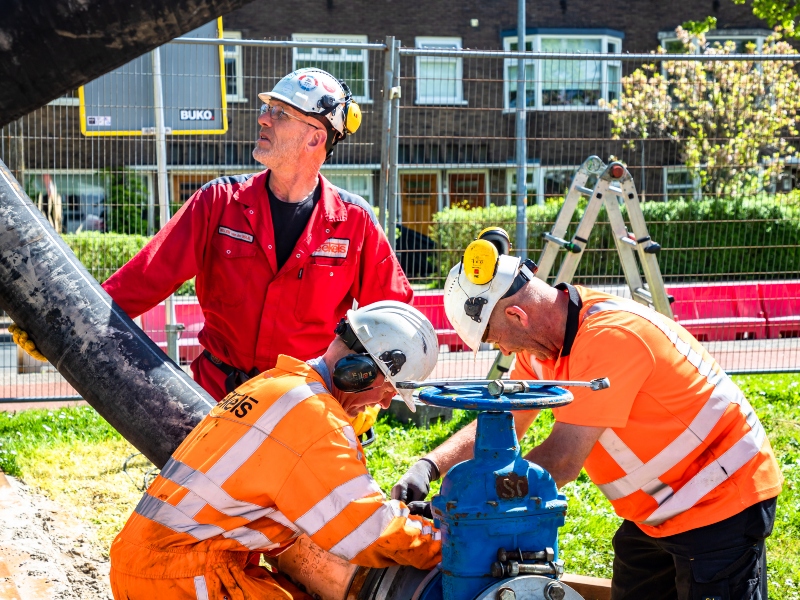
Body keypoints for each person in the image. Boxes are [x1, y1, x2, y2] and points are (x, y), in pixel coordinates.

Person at [392, 227, 782, 600]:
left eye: (496, 339)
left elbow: (561, 461)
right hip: (659, 512)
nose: (505, 352)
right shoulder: (540, 349)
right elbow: (504, 422)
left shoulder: (610, 337)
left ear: (517, 316)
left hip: (721, 501)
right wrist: (429, 467)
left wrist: (463, 499)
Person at [12, 67, 412, 414]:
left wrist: (372, 387)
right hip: (217, 399)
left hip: (306, 403)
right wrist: (64, 321)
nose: (263, 119)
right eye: (267, 109)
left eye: (280, 113)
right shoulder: (219, 203)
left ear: (314, 138)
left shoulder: (353, 222)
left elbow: (398, 320)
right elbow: (142, 281)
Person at [109, 300, 441, 599]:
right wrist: (442, 542)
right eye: (388, 390)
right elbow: (367, 528)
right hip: (184, 576)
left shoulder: (275, 385)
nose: (385, 403)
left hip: (155, 564)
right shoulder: (314, 416)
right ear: (359, 373)